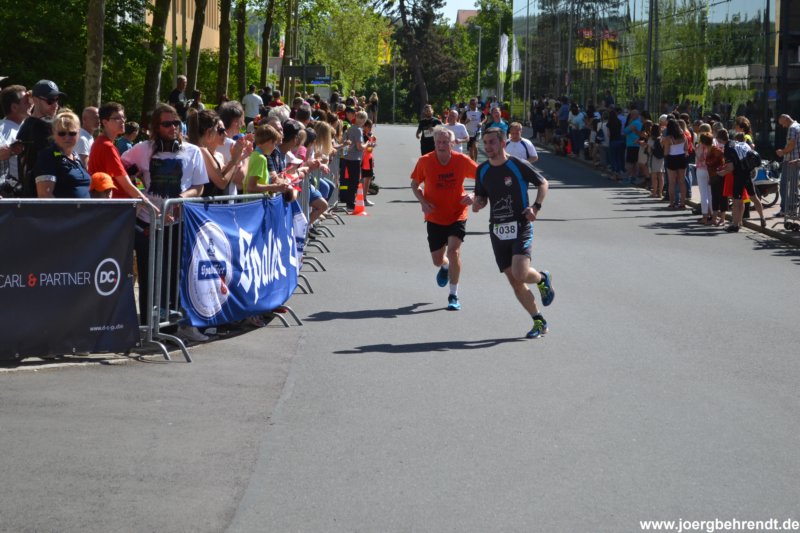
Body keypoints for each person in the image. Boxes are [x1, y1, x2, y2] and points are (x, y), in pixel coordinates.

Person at [121, 104, 208, 340]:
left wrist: (181, 198)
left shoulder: (192, 151)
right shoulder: (142, 149)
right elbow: (120, 172)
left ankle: (174, 325)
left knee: (176, 274)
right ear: (156, 127)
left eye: (176, 123)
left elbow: (199, 186)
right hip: (148, 222)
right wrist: (139, 193)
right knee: (150, 274)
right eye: (167, 124)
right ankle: (149, 326)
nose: (172, 128)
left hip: (179, 224)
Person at [471, 127, 555, 339]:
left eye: (492, 142)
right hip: (498, 230)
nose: (488, 146)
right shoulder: (482, 170)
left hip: (521, 225)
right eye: (485, 142)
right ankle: (539, 321)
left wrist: (536, 207)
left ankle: (542, 278)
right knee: (515, 281)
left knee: (520, 272)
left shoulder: (517, 164)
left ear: (502, 143)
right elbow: (481, 198)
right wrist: (476, 203)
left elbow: (543, 183)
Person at [410, 126, 478, 310]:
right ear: (434, 143)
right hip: (434, 216)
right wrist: (423, 201)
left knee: (454, 251)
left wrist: (473, 195)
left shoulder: (461, 160)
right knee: (438, 260)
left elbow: (483, 177)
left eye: (445, 142)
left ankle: (453, 295)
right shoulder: (425, 161)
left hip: (457, 213)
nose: (441, 145)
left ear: (452, 143)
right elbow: (415, 184)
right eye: (438, 142)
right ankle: (445, 267)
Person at [88, 102, 157, 211]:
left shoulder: (101, 142)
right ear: (105, 122)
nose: (123, 120)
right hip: (113, 208)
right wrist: (152, 209)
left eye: (123, 117)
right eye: (117, 118)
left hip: (108, 206)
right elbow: (127, 186)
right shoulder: (107, 146)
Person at [187, 109, 250, 197]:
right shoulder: (202, 151)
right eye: (221, 130)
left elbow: (226, 177)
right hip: (203, 204)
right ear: (209, 132)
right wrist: (234, 159)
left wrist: (238, 157)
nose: (225, 134)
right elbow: (222, 183)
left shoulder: (218, 155)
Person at [17, 79, 64, 197]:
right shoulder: (40, 126)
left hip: (35, 192)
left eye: (57, 99)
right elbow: (55, 155)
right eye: (50, 100)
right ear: (36, 101)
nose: (55, 105)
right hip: (42, 193)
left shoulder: (28, 124)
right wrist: (63, 154)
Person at [32, 110, 91, 198]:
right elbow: (45, 195)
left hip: (85, 207)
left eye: (72, 133)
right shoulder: (48, 156)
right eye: (62, 133)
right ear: (53, 133)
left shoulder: (76, 156)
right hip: (64, 207)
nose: (67, 137)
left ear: (79, 133)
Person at [0, 84, 30, 196]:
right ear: (14, 107)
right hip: (11, 194)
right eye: (26, 101)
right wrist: (11, 150)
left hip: (27, 190)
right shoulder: (2, 129)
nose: (30, 104)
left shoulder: (29, 126)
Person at [341, 110, 369, 209]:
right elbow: (359, 146)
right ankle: (350, 202)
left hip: (348, 156)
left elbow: (345, 142)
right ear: (364, 120)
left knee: (350, 180)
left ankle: (349, 201)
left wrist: (345, 155)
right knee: (354, 181)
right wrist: (367, 144)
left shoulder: (350, 128)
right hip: (355, 158)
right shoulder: (358, 130)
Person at [775, 114, 800, 217]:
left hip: (790, 160)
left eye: (783, 123)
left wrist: (782, 152)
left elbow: (791, 144)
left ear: (786, 119)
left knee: (784, 185)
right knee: (794, 185)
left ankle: (785, 209)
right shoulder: (798, 126)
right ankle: (792, 209)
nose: (783, 126)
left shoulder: (792, 128)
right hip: (796, 160)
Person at [662, 119, 688, 209]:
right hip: (682, 157)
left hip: (671, 158)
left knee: (671, 182)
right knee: (682, 181)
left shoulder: (668, 138)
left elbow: (666, 152)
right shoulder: (683, 136)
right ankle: (682, 203)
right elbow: (686, 148)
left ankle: (672, 203)